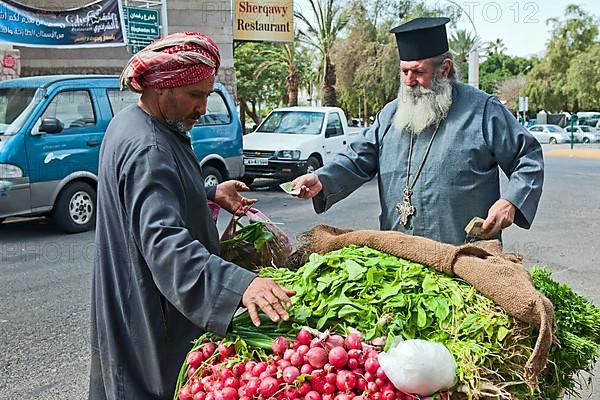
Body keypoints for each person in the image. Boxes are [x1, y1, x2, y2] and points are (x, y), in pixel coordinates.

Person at [89, 32, 295, 400]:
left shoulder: (133, 122)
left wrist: (211, 193)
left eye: (207, 95)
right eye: (194, 96)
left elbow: (149, 196)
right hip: (152, 313)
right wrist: (240, 285)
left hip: (130, 300)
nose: (202, 108)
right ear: (160, 88)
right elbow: (166, 243)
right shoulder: (149, 147)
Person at [292, 17, 544, 245]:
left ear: (444, 69)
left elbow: (527, 157)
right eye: (404, 71)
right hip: (398, 255)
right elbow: (357, 159)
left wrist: (510, 201)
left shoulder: (483, 111)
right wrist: (321, 179)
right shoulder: (390, 115)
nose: (409, 81)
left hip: (465, 257)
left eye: (418, 72)